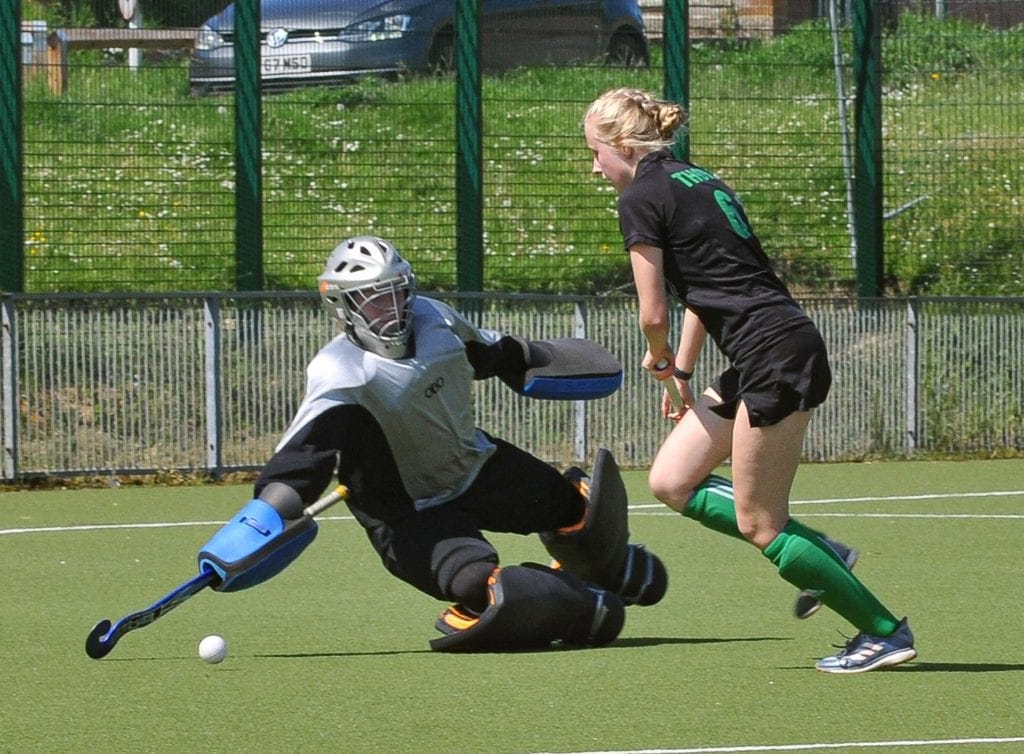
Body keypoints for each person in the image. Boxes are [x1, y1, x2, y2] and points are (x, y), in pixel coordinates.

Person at [198, 235, 667, 652]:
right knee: (475, 580)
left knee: (576, 505)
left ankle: (604, 568)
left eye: (399, 293)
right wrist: (266, 515)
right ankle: (578, 608)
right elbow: (302, 461)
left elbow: (494, 352)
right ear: (344, 307)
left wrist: (539, 360)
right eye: (376, 301)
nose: (394, 309)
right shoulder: (339, 375)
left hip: (477, 465)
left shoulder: (435, 320)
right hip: (409, 515)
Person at [582, 87, 916, 673]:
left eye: (594, 153)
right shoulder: (698, 180)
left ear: (622, 145)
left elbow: (653, 311)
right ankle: (824, 553)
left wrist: (656, 355)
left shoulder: (638, 197)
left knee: (760, 522)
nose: (593, 167)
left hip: (773, 356)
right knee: (672, 480)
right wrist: (681, 369)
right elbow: (704, 293)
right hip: (767, 350)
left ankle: (885, 631)